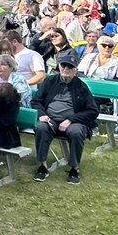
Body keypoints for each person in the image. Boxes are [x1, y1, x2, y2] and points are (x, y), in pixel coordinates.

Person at [31, 50, 98, 185]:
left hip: (73, 121)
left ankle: (74, 168)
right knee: (41, 127)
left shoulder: (81, 87)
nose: (66, 69)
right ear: (59, 66)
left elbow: (93, 110)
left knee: (76, 131)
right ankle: (42, 165)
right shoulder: (50, 81)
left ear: (75, 70)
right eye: (63, 66)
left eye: (70, 67)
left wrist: (71, 120)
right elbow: (36, 101)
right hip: (50, 119)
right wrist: (42, 114)